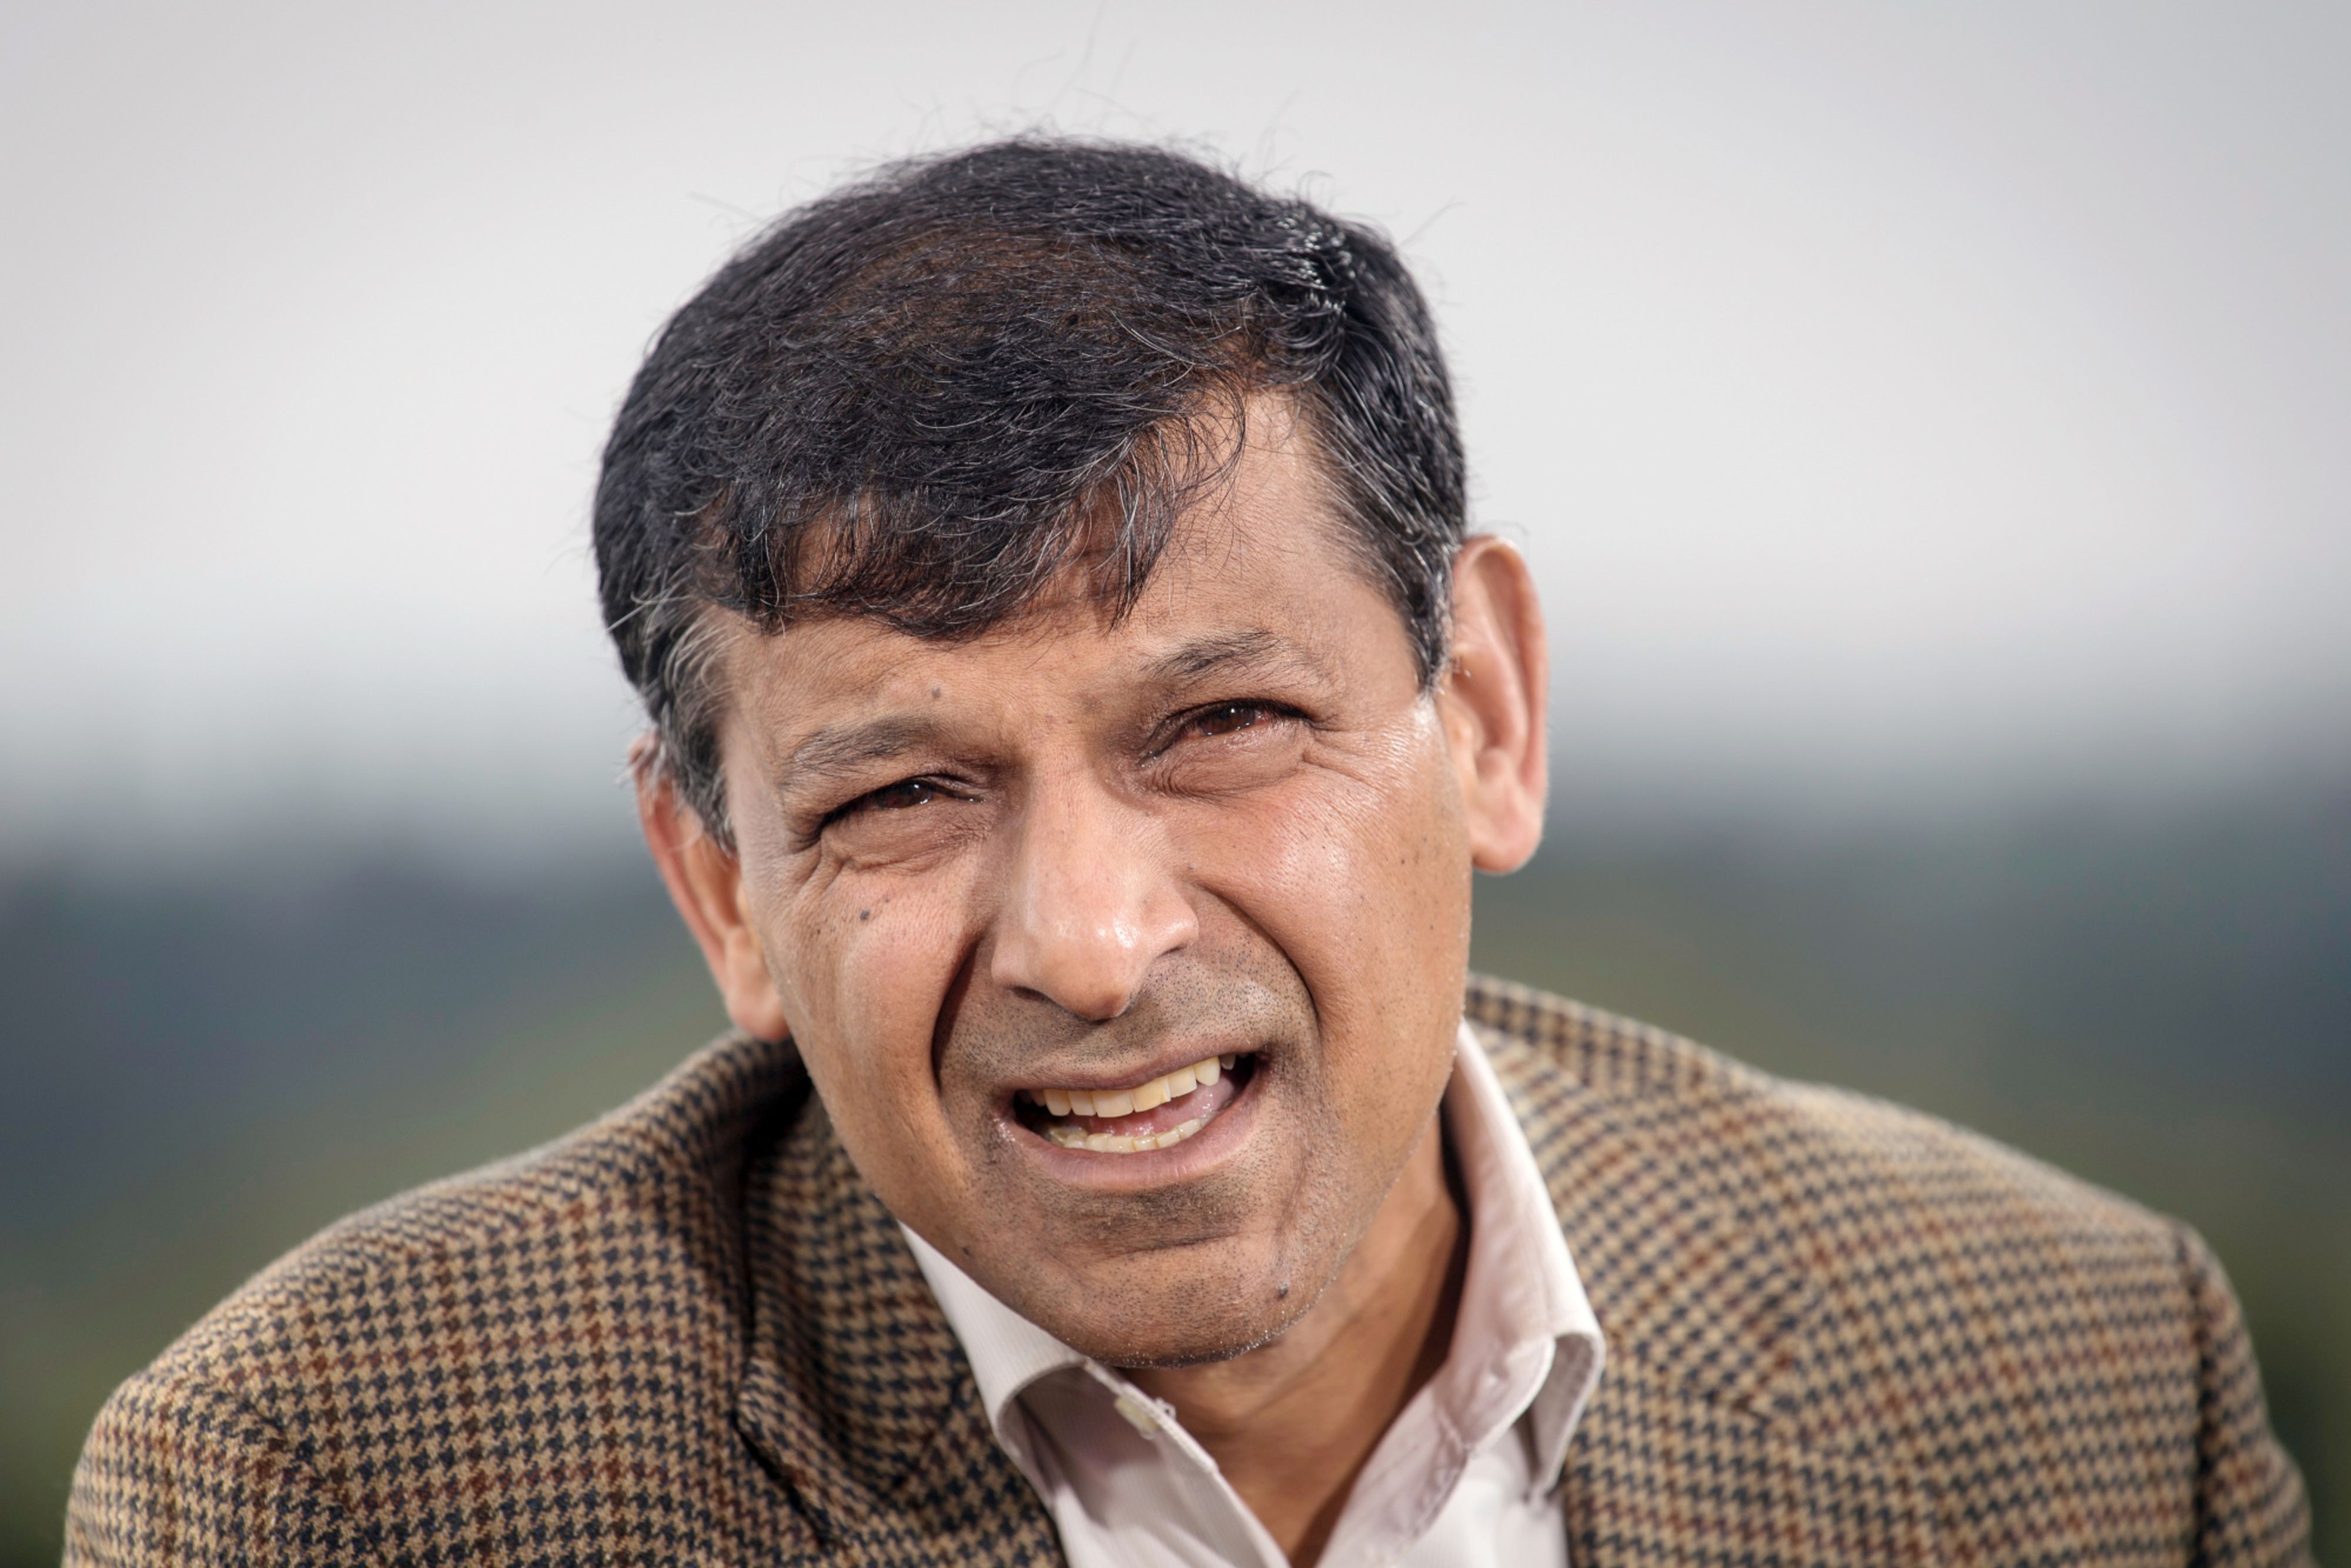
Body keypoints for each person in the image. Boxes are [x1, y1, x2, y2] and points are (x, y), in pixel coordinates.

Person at [67, 139, 2310, 1567]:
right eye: (900, 794)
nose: (1093, 940)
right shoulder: (338, 1481)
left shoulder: (2085, 1373)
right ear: (727, 886)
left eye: (1223, 726)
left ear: (1487, 712)